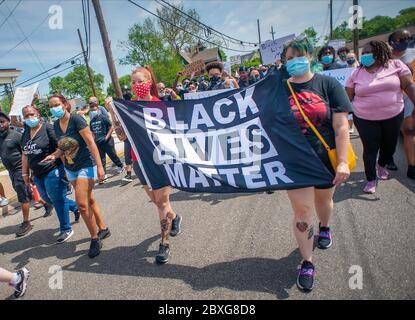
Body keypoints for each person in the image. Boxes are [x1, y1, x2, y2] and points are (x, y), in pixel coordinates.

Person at [282, 38, 352, 292]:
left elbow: (341, 125)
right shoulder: (278, 90)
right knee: (301, 212)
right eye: (289, 57)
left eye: (298, 55)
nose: (294, 61)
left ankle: (324, 226)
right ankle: (307, 261)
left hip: (325, 158)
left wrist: (343, 161)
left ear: (310, 56)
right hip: (294, 164)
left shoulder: (328, 84)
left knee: (324, 204)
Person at [105, 65, 182, 264]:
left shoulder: (160, 105)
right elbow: (121, 135)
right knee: (157, 202)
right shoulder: (128, 108)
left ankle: (165, 244)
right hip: (139, 162)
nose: (136, 85)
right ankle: (175, 217)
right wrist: (113, 113)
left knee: (162, 203)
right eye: (133, 82)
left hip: (159, 161)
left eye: (140, 81)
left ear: (149, 83)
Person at [45, 95, 111, 258]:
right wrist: (54, 155)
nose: (54, 108)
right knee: (90, 200)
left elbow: (91, 143)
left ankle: (95, 238)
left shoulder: (77, 120)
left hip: (86, 166)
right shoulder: (56, 124)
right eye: (51, 106)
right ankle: (104, 229)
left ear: (65, 104)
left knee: (82, 205)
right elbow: (63, 147)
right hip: (70, 168)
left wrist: (101, 167)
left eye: (57, 104)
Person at [345, 40, 415, 193]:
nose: (364, 56)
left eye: (368, 52)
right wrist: (338, 117)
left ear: (380, 52)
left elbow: (408, 85)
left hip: (393, 115)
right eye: (363, 53)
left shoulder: (396, 66)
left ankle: (381, 165)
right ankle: (371, 179)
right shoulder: (356, 73)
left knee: (389, 147)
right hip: (364, 118)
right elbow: (347, 97)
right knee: (370, 148)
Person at [21, 105, 79, 243]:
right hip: (37, 174)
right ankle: (76, 207)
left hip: (53, 170)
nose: (29, 117)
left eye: (31, 114)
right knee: (48, 199)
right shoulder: (26, 132)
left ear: (37, 114)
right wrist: (25, 174)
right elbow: (25, 154)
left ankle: (66, 229)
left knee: (58, 200)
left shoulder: (47, 128)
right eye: (26, 115)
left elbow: (61, 147)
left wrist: (66, 169)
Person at [0, 111, 36, 237]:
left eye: (2, 122)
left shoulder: (16, 136)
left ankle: (26, 223)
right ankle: (46, 203)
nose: (0, 125)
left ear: (8, 122)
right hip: (11, 172)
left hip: (21, 170)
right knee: (24, 193)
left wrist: (29, 171)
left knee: (22, 196)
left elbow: (26, 154)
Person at [388, 30, 415, 178]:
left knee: (410, 130)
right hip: (395, 98)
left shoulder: (413, 55)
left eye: (407, 38)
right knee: (406, 131)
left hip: (411, 96)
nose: (404, 41)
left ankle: (412, 166)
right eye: (399, 39)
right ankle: (389, 158)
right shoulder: (387, 57)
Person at [89, 102, 125, 180]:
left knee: (112, 155)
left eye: (94, 108)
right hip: (98, 143)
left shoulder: (103, 117)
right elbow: (92, 132)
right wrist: (93, 141)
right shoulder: (91, 122)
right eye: (91, 109)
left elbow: (111, 127)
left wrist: (106, 137)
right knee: (102, 159)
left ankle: (120, 166)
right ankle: (104, 174)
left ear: (98, 109)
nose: (93, 110)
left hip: (107, 141)